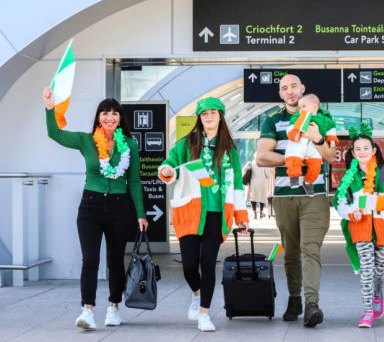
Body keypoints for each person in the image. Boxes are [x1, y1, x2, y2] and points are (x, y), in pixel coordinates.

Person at [43, 87, 149, 331]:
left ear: (120, 118)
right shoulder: (86, 140)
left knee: (114, 260)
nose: (109, 117)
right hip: (90, 206)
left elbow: (134, 181)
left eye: (114, 113)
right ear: (98, 117)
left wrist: (141, 213)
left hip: (120, 207)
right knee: (90, 259)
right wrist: (50, 108)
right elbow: (55, 133)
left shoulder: (130, 145)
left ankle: (114, 307)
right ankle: (87, 310)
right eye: (104, 113)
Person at [158, 97, 249, 332]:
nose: (209, 116)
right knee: (189, 265)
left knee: (208, 263)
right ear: (199, 117)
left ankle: (204, 314)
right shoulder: (186, 144)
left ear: (220, 116)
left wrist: (241, 218)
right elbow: (170, 166)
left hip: (217, 214)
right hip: (190, 211)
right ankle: (197, 294)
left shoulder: (229, 149)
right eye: (204, 113)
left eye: (213, 112)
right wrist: (166, 171)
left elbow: (237, 184)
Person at [256, 74, 336, 327]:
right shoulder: (273, 120)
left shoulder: (323, 118)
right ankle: (294, 298)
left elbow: (331, 156)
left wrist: (317, 139)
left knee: (309, 249)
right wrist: (292, 160)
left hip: (315, 196)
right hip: (284, 195)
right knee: (291, 252)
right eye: (284, 88)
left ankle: (312, 303)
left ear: (302, 89)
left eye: (294, 87)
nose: (290, 91)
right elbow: (261, 157)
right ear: (280, 94)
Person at [333, 123, 384, 328]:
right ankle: (367, 310)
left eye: (366, 148)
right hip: (360, 227)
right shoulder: (348, 178)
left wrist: (379, 201)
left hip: (383, 228)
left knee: (378, 271)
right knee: (367, 269)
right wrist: (350, 212)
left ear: (374, 150)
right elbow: (339, 201)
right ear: (352, 152)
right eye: (357, 149)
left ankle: (377, 296)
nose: (362, 152)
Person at [285, 94, 338, 195]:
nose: (301, 109)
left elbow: (331, 130)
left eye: (303, 106)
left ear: (314, 106)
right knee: (293, 157)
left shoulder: (324, 119)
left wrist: (331, 140)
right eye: (300, 107)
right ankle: (293, 176)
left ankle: (308, 182)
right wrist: (294, 134)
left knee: (315, 165)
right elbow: (291, 128)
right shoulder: (297, 117)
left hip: (314, 147)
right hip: (299, 143)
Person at [244, 152, 272, 219]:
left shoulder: (252, 163)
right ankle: (261, 213)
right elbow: (268, 175)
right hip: (263, 183)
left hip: (254, 182)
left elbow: (245, 170)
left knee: (253, 198)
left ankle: (254, 213)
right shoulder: (264, 164)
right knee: (262, 198)